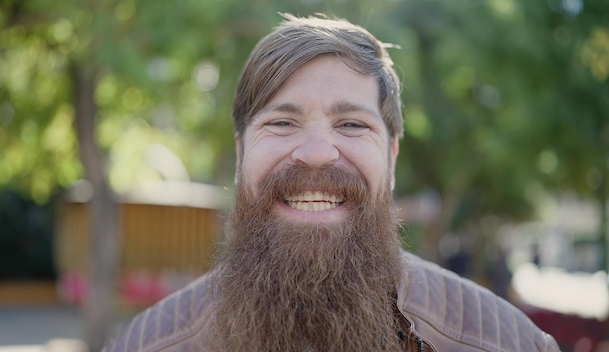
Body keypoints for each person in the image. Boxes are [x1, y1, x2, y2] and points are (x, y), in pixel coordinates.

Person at [103, 14, 559, 352]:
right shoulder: (148, 344)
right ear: (241, 153)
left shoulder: (504, 341)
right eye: (281, 123)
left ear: (392, 157)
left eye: (352, 125)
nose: (317, 152)